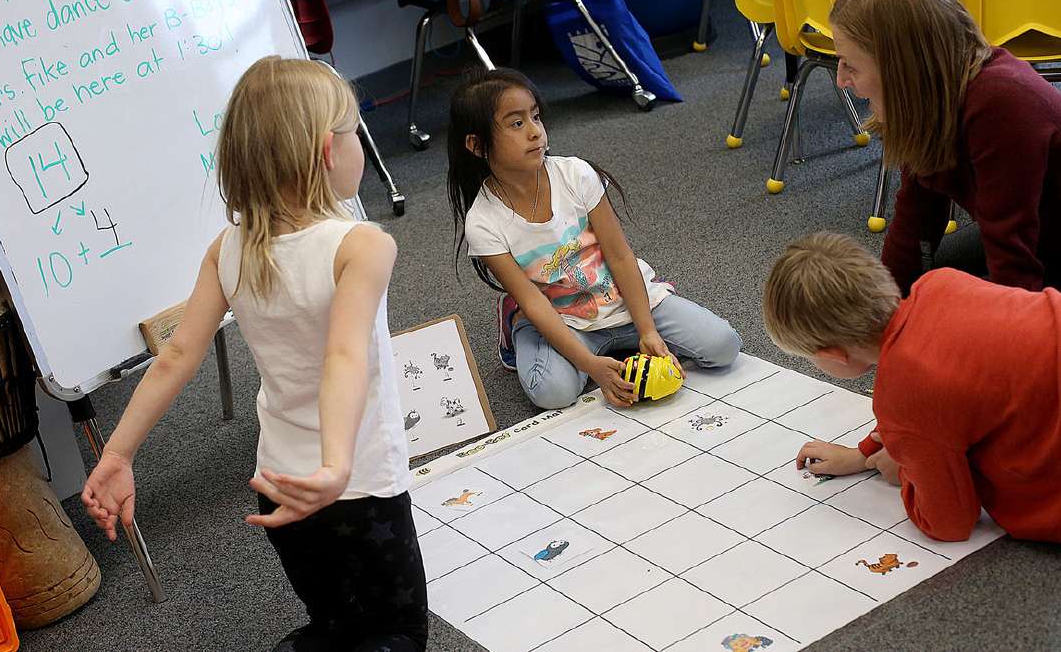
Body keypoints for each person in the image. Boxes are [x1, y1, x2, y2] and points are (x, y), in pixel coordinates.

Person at [80, 57, 427, 651]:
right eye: (354, 131)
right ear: (326, 151)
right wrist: (337, 466)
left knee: (335, 623)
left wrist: (117, 453)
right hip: (356, 482)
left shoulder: (229, 246)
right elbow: (345, 355)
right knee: (395, 634)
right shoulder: (362, 244)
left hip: (275, 483)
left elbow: (176, 355)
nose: (360, 146)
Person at [446, 68, 740, 410]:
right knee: (552, 393)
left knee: (724, 346)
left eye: (536, 117)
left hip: (623, 302)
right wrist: (591, 367)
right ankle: (516, 327)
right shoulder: (483, 221)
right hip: (562, 318)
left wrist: (647, 331)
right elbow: (536, 302)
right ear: (477, 145)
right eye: (516, 123)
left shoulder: (574, 173)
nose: (535, 132)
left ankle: (625, 342)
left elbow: (619, 256)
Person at [764, 232, 1061, 543]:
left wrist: (904, 474)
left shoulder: (904, 398)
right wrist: (863, 454)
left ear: (833, 355)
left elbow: (950, 524)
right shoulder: (939, 282)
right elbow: (942, 398)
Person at [831, 0, 1061, 295]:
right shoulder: (931, 101)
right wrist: (882, 313)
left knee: (947, 306)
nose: (841, 80)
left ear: (900, 67)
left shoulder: (1000, 104)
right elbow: (915, 223)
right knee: (909, 290)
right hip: (1036, 235)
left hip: (1042, 250)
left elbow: (1015, 271)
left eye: (850, 65)